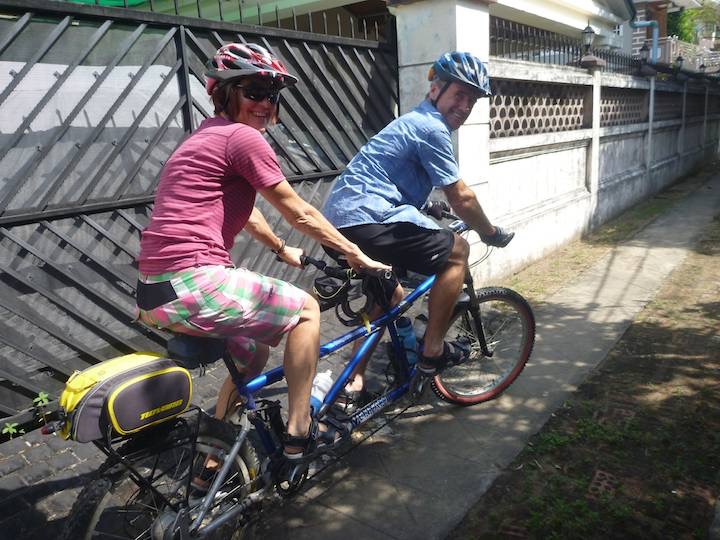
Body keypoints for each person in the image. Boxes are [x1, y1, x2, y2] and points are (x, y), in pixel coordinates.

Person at [135, 42, 390, 460]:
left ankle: (212, 457)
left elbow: (247, 210)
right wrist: (356, 256)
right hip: (195, 281)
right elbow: (299, 210)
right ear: (224, 92)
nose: (265, 103)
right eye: (254, 90)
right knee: (307, 311)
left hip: (156, 292)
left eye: (272, 94)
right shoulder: (241, 138)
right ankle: (299, 432)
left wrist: (281, 249)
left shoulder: (205, 137)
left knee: (254, 354)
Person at [322, 51, 513, 409]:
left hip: (342, 220)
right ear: (435, 89)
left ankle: (354, 381)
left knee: (384, 298)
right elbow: (462, 197)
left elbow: (388, 178)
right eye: (459, 94)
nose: (465, 104)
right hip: (366, 219)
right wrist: (490, 232)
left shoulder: (412, 122)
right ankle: (433, 351)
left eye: (472, 100)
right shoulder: (431, 127)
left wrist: (427, 208)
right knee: (457, 251)